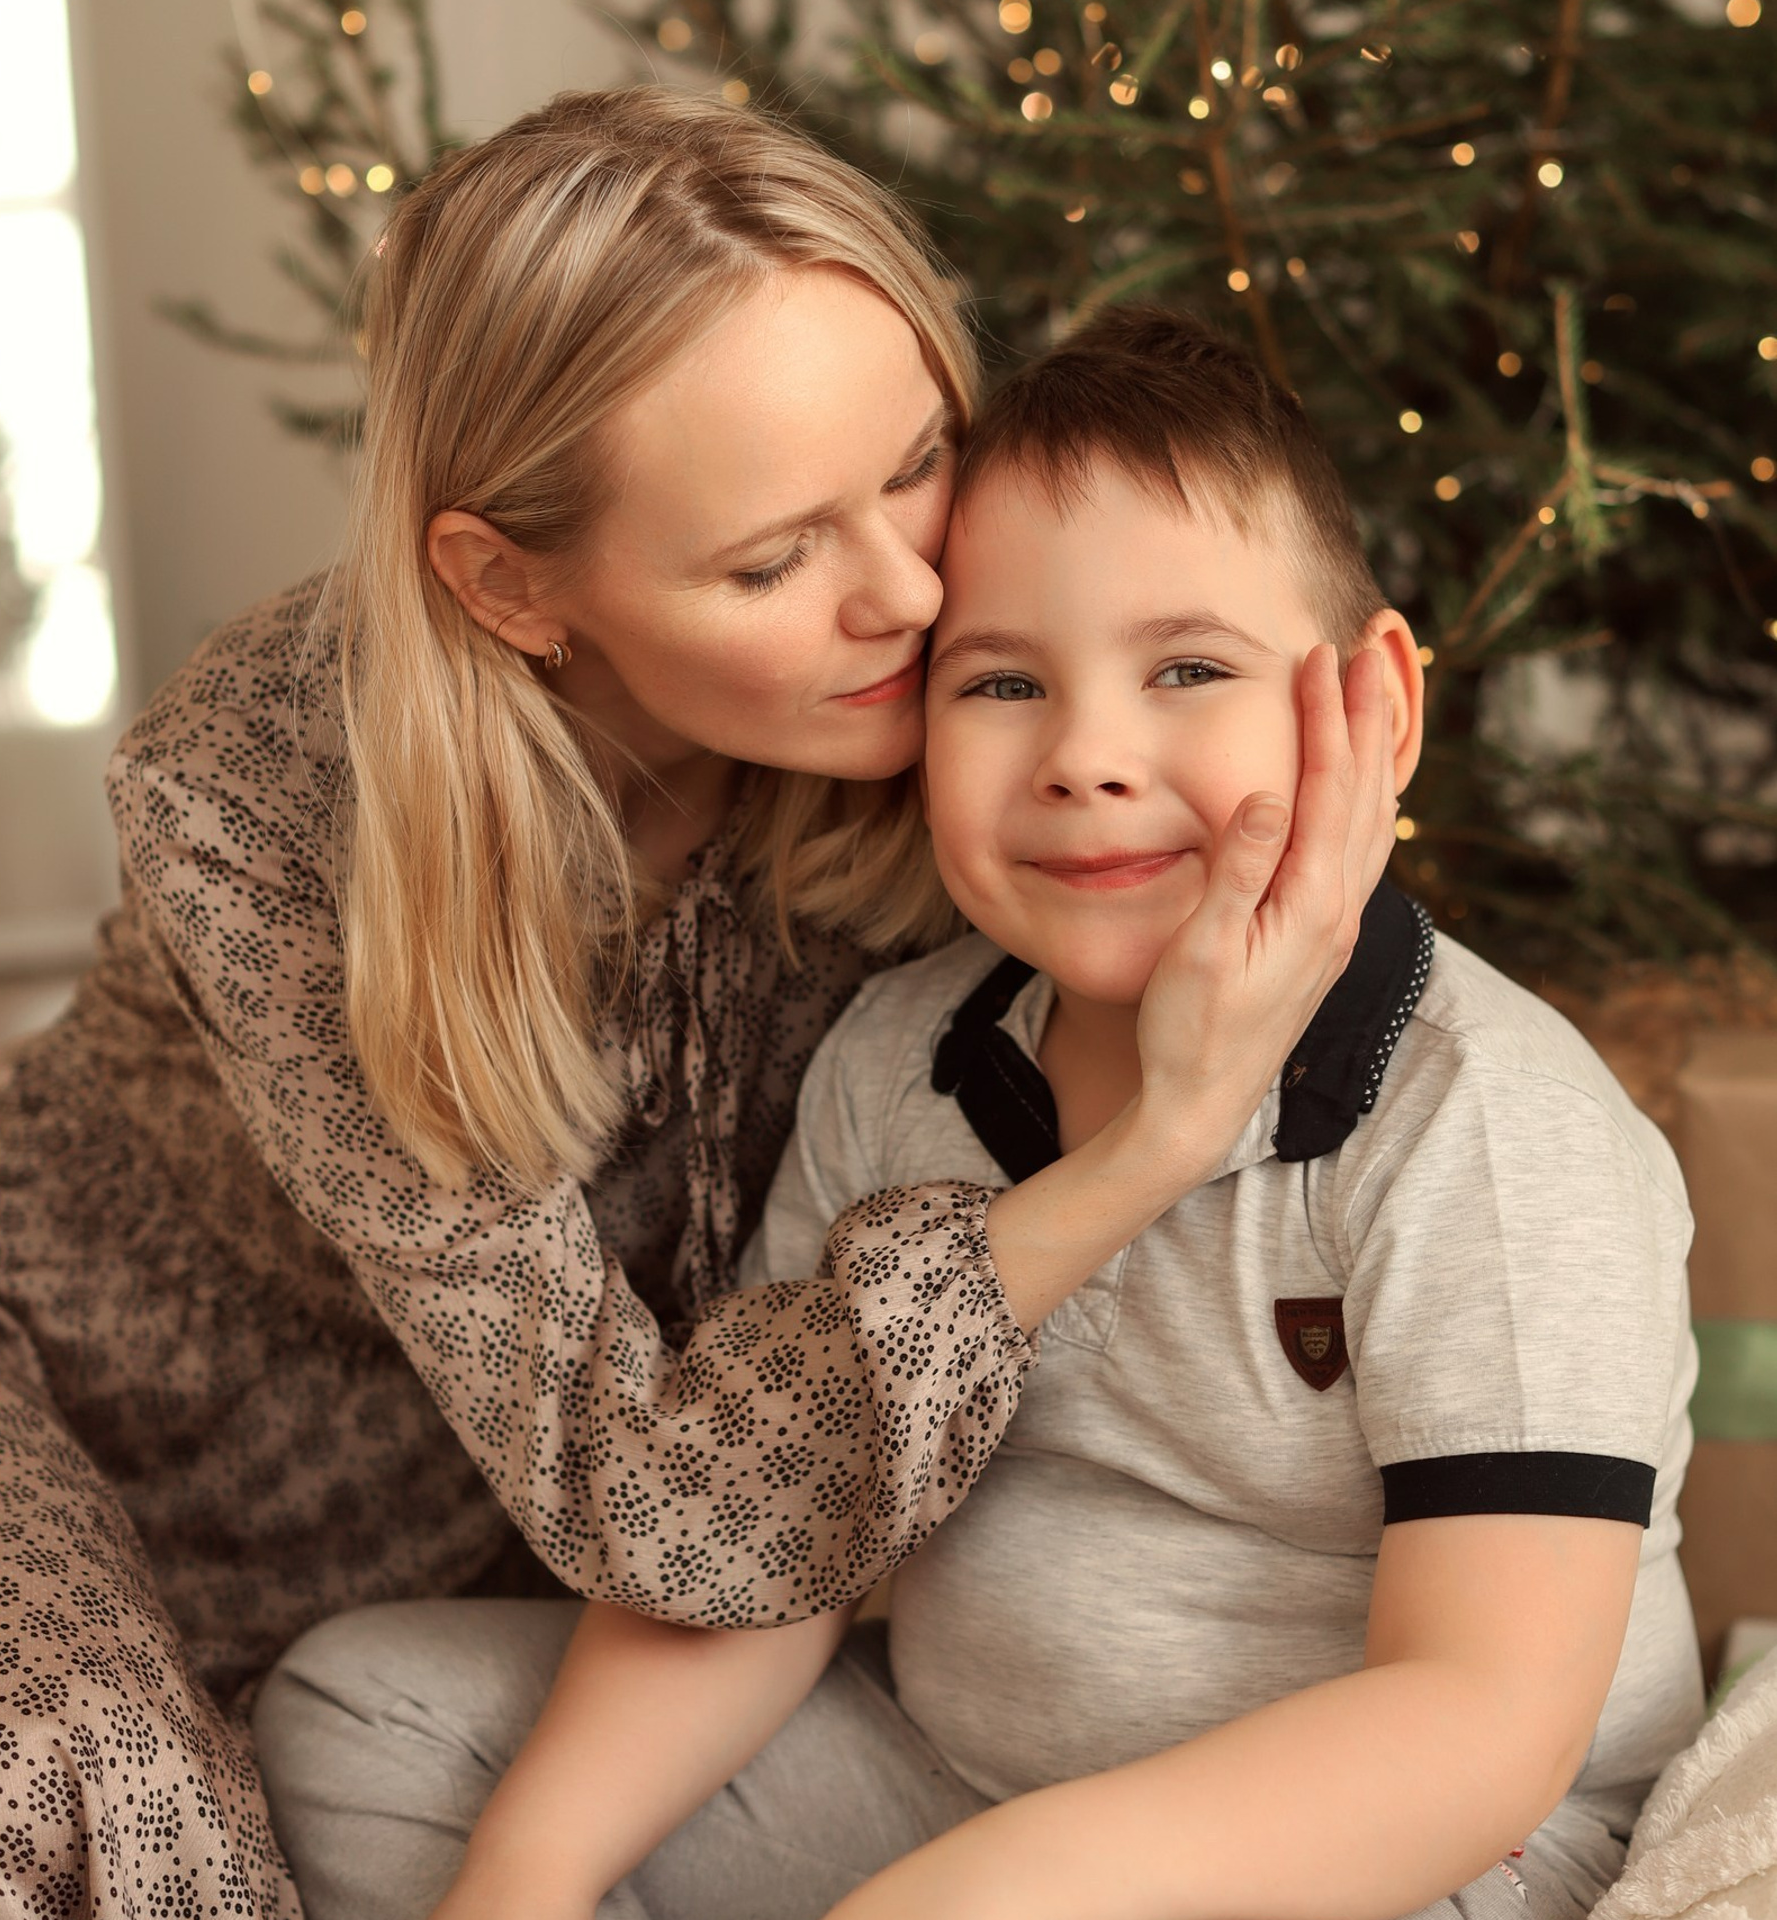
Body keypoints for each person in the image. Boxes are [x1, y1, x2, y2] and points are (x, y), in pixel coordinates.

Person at [0, 95, 1390, 1920]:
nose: (908, 594)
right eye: (770, 561)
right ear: (510, 583)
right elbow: (647, 1498)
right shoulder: (265, 790)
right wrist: (1143, 1154)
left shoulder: (977, 715)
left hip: (526, 1522)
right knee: (41, 1781)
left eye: (916, 460)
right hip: (3, 1339)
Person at [252, 308, 1705, 1920]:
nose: (1086, 756)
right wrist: (528, 1875)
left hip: (1429, 1855)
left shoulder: (1481, 1121)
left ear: (1370, 708)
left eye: (1189, 670)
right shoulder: (900, 1064)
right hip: (958, 1785)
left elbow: (1480, 1729)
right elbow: (779, 1543)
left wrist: (988, 1900)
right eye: (1003, 681)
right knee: (369, 1712)